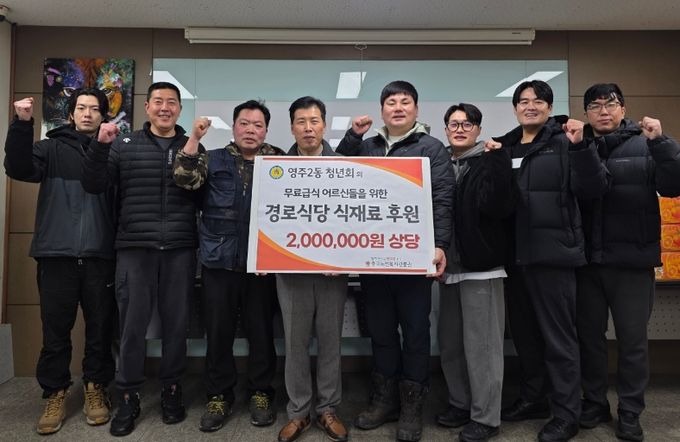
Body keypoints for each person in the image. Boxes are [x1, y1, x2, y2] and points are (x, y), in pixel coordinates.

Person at [82, 81, 209, 437]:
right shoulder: (123, 144)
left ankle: (172, 389)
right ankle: (128, 395)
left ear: (179, 109)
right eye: (158, 101)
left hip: (180, 248)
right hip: (134, 248)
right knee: (132, 328)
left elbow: (201, 195)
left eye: (172, 102)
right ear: (147, 107)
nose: (164, 107)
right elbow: (94, 184)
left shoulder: (193, 146)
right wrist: (99, 145)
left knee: (176, 326)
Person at [336, 80, 454, 442]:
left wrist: (440, 244)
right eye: (391, 102)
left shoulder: (431, 148)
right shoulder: (368, 145)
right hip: (373, 257)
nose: (398, 107)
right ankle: (384, 400)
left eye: (405, 102)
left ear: (416, 109)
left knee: (415, 331)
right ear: (382, 110)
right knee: (381, 330)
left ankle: (412, 405)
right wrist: (353, 137)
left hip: (413, 256)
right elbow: (336, 172)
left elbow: (443, 197)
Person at [492, 80, 608, 442]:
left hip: (553, 255)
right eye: (523, 101)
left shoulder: (566, 141)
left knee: (559, 340)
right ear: (515, 108)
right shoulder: (505, 145)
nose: (531, 106)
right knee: (525, 336)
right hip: (515, 257)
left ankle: (567, 413)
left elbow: (594, 189)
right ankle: (533, 399)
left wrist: (582, 147)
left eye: (538, 101)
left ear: (549, 107)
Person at [4, 89, 116, 435]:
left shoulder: (114, 150)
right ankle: (55, 392)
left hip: (100, 254)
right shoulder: (50, 148)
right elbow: (18, 168)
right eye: (81, 108)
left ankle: (96, 387)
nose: (87, 114)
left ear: (103, 116)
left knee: (100, 328)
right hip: (56, 254)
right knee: (55, 331)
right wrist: (22, 124)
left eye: (94, 109)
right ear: (71, 114)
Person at [576, 83, 680, 442]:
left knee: (633, 342)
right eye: (595, 106)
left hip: (632, 261)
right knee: (589, 339)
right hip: (587, 262)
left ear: (623, 108)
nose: (603, 111)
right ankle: (594, 403)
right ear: (586, 112)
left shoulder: (645, 142)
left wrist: (661, 142)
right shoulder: (578, 144)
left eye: (611, 104)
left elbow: (673, 186)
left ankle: (631, 411)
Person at [173, 100, 284, 432]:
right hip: (218, 262)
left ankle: (261, 392)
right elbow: (184, 180)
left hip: (262, 265)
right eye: (244, 124)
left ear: (266, 130)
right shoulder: (213, 158)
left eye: (258, 125)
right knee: (218, 333)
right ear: (234, 127)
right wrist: (194, 138)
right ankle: (219, 395)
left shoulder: (280, 160)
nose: (250, 130)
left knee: (261, 333)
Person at [436, 103, 514, 442]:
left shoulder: (490, 160)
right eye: (453, 124)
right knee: (451, 345)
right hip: (447, 269)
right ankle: (460, 403)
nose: (460, 129)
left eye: (467, 124)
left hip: (482, 268)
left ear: (478, 130)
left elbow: (501, 206)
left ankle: (486, 416)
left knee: (483, 349)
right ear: (445, 129)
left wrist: (499, 162)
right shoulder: (440, 164)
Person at [275, 96, 349, 442]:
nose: (308, 128)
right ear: (292, 127)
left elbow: (355, 220)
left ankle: (328, 409)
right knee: (295, 344)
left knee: (331, 341)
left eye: (314, 121)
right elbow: (267, 218)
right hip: (291, 273)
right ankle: (299, 412)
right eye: (301, 122)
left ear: (324, 126)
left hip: (332, 273)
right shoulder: (275, 167)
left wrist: (343, 258)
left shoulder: (345, 166)